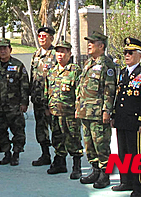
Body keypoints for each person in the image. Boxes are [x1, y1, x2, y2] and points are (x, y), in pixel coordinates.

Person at [77, 31, 116, 189]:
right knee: (89, 144)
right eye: (89, 42)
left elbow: (110, 90)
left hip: (98, 113)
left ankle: (105, 175)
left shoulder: (107, 65)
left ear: (102, 46)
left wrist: (107, 110)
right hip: (85, 112)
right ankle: (95, 170)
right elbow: (82, 87)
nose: (89, 45)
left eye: (92, 42)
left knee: (102, 144)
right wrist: (78, 107)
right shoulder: (88, 63)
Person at [112, 37, 141, 197]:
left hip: (135, 121)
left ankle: (139, 186)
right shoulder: (123, 72)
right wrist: (114, 115)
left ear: (139, 55)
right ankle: (125, 181)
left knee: (136, 154)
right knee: (123, 153)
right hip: (122, 119)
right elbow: (118, 95)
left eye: (130, 53)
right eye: (125, 53)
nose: (126, 55)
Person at [44, 40, 83, 179]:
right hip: (55, 112)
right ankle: (60, 163)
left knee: (73, 139)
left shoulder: (75, 71)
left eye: (63, 52)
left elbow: (79, 93)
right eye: (58, 51)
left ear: (69, 53)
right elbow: (47, 90)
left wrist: (78, 110)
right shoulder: (52, 71)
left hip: (70, 113)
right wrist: (47, 107)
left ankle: (76, 166)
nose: (60, 54)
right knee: (57, 138)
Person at [0, 38, 29, 166]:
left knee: (18, 131)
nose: (2, 51)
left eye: (5, 48)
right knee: (0, 131)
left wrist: (24, 103)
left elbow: (25, 85)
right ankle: (6, 153)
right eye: (0, 49)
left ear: (10, 49)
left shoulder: (18, 65)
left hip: (14, 107)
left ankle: (16, 154)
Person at [30, 26, 57, 166]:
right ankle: (45, 154)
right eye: (39, 36)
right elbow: (32, 76)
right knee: (41, 128)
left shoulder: (56, 54)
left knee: (56, 129)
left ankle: (59, 158)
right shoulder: (36, 55)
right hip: (38, 99)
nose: (41, 38)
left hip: (52, 100)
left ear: (51, 38)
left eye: (44, 36)